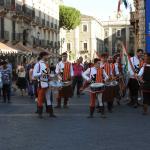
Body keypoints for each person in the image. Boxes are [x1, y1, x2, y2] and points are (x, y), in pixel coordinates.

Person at [33, 52, 56, 118]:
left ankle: (51, 113)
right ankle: (40, 114)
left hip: (47, 83)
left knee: (48, 98)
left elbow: (47, 74)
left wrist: (52, 76)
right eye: (47, 56)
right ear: (43, 56)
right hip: (41, 83)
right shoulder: (38, 64)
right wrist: (42, 73)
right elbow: (34, 74)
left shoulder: (46, 64)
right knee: (40, 98)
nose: (48, 57)